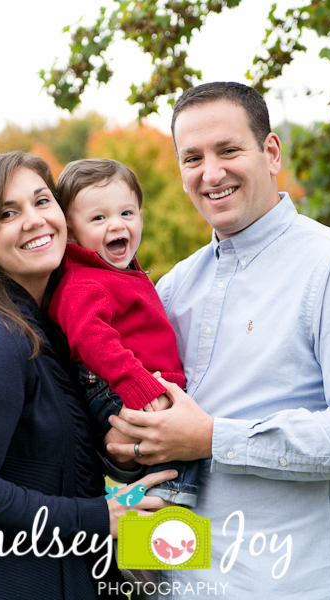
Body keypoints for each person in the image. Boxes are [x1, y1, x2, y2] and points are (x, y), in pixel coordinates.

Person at [106, 82, 330, 598]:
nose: (211, 173)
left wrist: (212, 439)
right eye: (192, 158)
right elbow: (171, 453)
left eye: (228, 150)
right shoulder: (172, 288)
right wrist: (128, 454)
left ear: (270, 153)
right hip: (174, 582)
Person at [0, 151, 173, 600]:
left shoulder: (46, 325)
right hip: (10, 586)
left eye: (42, 201)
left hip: (67, 572)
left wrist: (125, 459)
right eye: (7, 213)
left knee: (192, 566)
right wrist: (102, 517)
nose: (34, 220)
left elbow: (57, 472)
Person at [48, 159, 202, 508]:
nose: (116, 224)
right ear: (71, 232)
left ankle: (152, 534)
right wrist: (135, 384)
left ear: (141, 218)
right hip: (121, 386)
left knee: (177, 463)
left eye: (127, 213)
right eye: (99, 218)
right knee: (174, 475)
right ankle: (148, 538)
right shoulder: (82, 282)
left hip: (139, 382)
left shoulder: (116, 272)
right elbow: (91, 339)